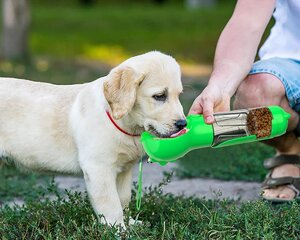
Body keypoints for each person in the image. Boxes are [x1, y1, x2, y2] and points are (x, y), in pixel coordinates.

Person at [189, 0, 300, 201]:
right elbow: (246, 21)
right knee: (255, 94)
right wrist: (220, 86)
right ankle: (290, 150)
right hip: (292, 60)